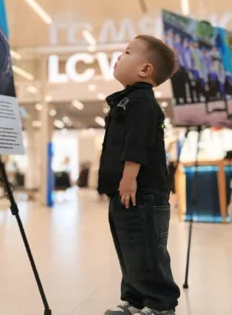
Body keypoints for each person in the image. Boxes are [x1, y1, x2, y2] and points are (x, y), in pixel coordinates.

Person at [100, 35, 180, 315]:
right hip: (125, 193)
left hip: (142, 192)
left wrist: (129, 177)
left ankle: (161, 304)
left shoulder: (143, 103)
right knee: (129, 247)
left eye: (127, 52)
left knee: (147, 249)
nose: (119, 56)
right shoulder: (126, 101)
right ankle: (135, 299)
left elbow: (138, 142)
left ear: (145, 69)